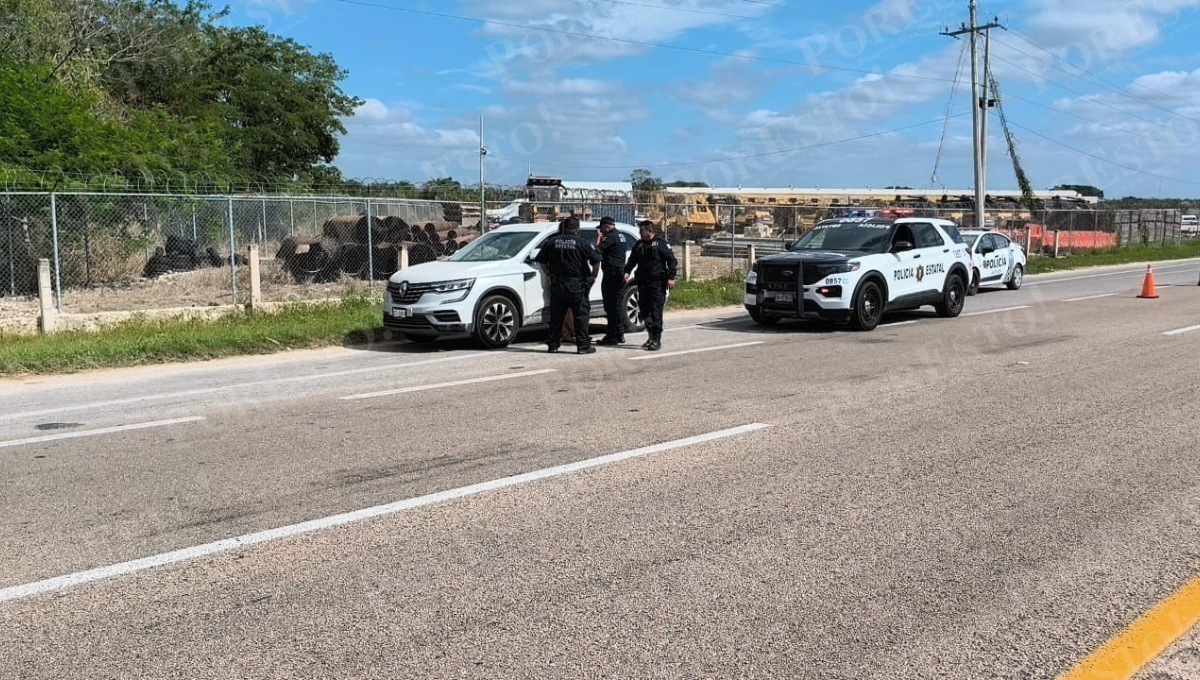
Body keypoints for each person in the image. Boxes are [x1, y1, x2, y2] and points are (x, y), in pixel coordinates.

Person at [535, 216, 601, 354]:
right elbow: (596, 261)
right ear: (577, 229)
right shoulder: (582, 242)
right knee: (581, 315)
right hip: (577, 284)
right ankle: (583, 346)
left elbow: (541, 261)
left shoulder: (552, 242)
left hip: (558, 284)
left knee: (557, 316)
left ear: (564, 228)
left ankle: (553, 345)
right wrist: (593, 276)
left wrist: (549, 274)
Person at [624, 220, 677, 352]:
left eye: (642, 231)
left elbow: (672, 260)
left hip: (657, 284)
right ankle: (650, 336)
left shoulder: (661, 244)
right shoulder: (639, 245)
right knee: (645, 312)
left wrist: (671, 277)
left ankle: (656, 339)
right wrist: (626, 271)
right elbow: (632, 260)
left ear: (650, 231)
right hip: (643, 283)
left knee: (655, 312)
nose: (640, 233)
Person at [595, 216, 632, 345]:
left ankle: (611, 336)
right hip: (619, 274)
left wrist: (598, 238)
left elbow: (597, 250)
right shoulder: (620, 235)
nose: (601, 231)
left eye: (601, 229)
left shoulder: (610, 237)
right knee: (618, 305)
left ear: (606, 226)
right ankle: (619, 334)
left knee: (611, 306)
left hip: (612, 275)